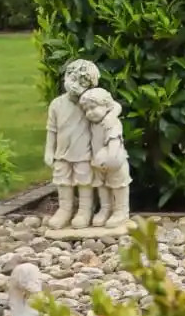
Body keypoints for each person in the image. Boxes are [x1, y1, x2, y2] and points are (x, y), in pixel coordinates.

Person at [44, 59, 99, 230]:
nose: (76, 86)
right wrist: (49, 150)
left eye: (82, 83)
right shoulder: (57, 104)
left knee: (84, 181)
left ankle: (84, 211)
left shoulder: (89, 105)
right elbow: (51, 129)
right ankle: (64, 210)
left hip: (83, 153)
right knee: (63, 182)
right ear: (66, 77)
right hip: (62, 153)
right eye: (73, 79)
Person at [79, 86, 130, 230]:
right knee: (101, 185)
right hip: (98, 162)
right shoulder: (93, 124)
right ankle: (105, 209)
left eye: (93, 107)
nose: (89, 112)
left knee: (118, 186)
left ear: (106, 106)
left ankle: (121, 211)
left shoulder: (111, 122)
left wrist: (111, 159)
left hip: (115, 162)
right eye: (86, 110)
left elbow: (115, 141)